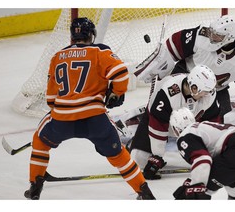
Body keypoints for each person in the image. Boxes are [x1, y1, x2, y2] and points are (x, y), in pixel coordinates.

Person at [24, 17, 155, 200]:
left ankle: (35, 185)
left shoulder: (57, 56)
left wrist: (59, 109)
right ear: (91, 35)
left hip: (62, 120)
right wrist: (116, 93)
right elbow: (120, 73)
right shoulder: (99, 51)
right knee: (118, 155)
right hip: (95, 119)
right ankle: (144, 192)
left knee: (40, 141)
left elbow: (51, 98)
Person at [134, 14, 235, 140]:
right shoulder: (201, 36)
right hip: (184, 80)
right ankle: (153, 117)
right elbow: (174, 45)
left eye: (217, 36)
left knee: (218, 123)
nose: (211, 37)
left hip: (212, 90)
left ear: (229, 38)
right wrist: (159, 63)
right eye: (211, 32)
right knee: (167, 106)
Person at [128, 64, 219, 180]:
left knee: (204, 159)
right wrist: (157, 157)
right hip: (157, 119)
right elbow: (158, 125)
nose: (207, 94)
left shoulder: (209, 94)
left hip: (188, 121)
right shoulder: (167, 92)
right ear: (194, 88)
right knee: (140, 160)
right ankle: (134, 141)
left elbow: (213, 123)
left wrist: (214, 152)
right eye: (204, 91)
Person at [170, 107, 235, 200]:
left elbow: (203, 160)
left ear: (176, 129)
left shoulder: (185, 135)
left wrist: (194, 185)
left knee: (197, 192)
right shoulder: (202, 126)